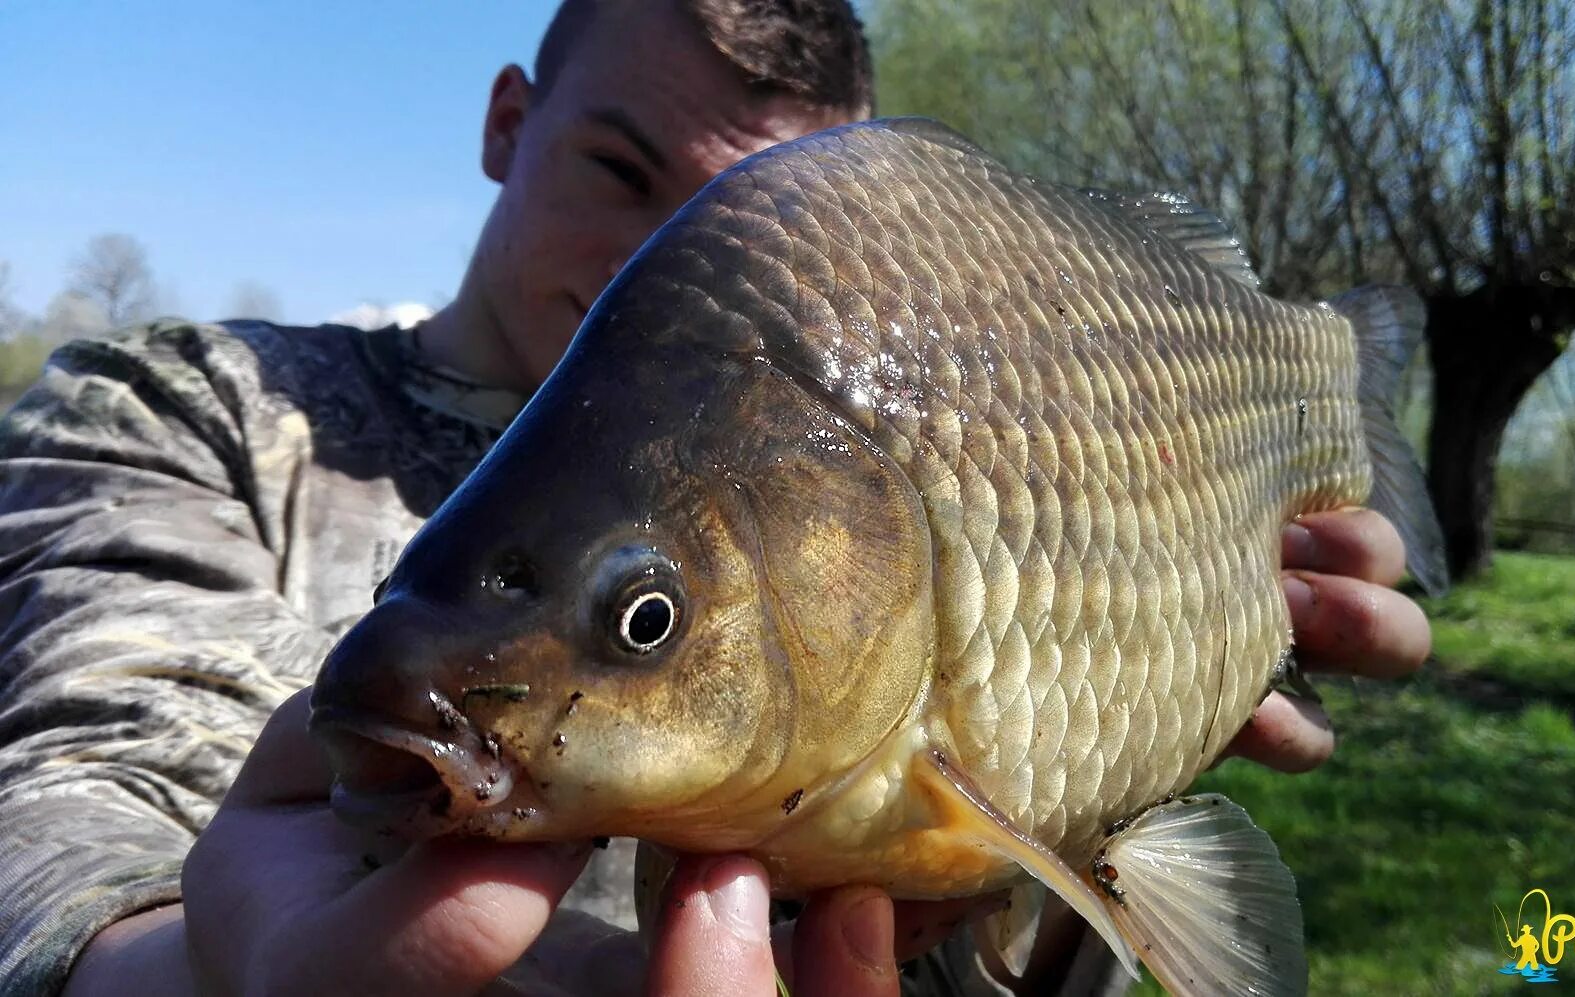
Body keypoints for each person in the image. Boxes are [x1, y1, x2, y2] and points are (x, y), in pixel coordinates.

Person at [0, 1, 1433, 993]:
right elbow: (76, 784)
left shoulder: (939, 473)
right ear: (510, 117)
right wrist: (172, 967)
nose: (653, 259)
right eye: (621, 169)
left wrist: (1123, 749)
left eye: (725, 221)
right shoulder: (181, 408)